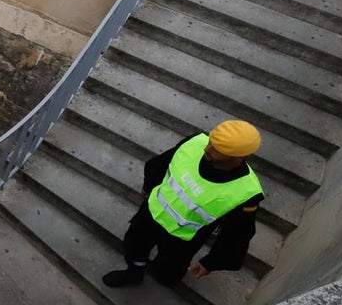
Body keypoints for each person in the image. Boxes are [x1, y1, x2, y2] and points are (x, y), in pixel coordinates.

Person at [102, 120, 264, 288]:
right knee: (134, 247)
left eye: (218, 149)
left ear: (240, 157)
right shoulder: (195, 143)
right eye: (211, 142)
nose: (207, 149)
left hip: (182, 238)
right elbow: (163, 162)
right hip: (151, 214)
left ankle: (163, 276)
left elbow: (237, 234)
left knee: (168, 271)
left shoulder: (245, 192)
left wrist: (211, 262)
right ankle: (133, 274)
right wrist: (149, 184)